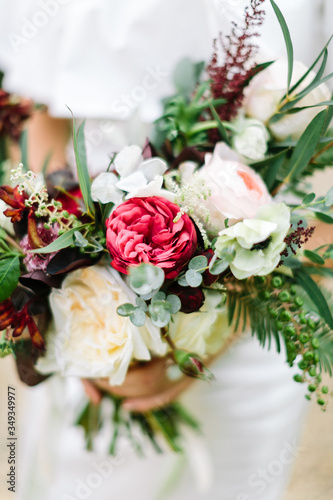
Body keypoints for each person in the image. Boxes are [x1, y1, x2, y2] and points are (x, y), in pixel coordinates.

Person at [0, 1, 331, 499]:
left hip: (255, 316)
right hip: (93, 312)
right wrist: (64, 266)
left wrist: (210, 331)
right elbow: (41, 115)